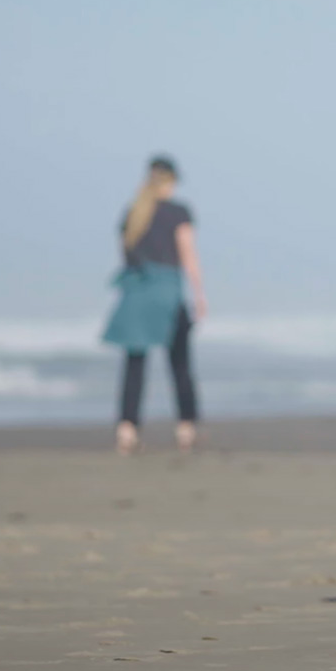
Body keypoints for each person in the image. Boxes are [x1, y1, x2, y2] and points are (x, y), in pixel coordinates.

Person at [101, 155, 209, 455]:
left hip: (137, 293)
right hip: (167, 294)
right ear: (171, 181)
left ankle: (127, 428)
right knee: (180, 363)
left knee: (135, 363)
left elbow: (126, 256)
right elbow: (188, 254)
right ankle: (186, 426)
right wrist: (200, 294)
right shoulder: (178, 212)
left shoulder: (133, 212)